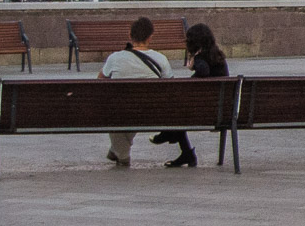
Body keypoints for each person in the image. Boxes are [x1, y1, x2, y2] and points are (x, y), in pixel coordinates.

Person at [97, 16, 172, 167]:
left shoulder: (115, 58)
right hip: (150, 112)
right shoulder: (161, 59)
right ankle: (117, 149)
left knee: (117, 107)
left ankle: (121, 153)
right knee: (136, 107)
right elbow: (169, 86)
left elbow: (100, 81)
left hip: (120, 110)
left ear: (130, 36)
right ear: (150, 37)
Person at [149, 23, 227, 168]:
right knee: (179, 111)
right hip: (219, 111)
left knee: (177, 112)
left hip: (202, 113)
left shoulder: (201, 58)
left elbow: (203, 72)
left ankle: (169, 134)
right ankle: (184, 151)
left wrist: (194, 63)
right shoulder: (218, 57)